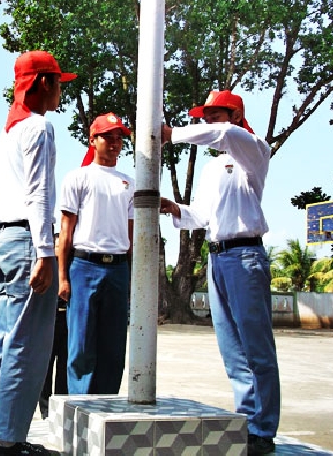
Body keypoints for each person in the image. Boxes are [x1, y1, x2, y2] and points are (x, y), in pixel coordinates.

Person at [159, 90, 279, 456]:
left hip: (245, 255)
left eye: (214, 114)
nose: (208, 120)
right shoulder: (213, 168)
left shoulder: (254, 150)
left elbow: (225, 134)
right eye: (205, 114)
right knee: (233, 352)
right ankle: (248, 421)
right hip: (218, 259)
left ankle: (264, 429)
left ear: (235, 114)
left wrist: (172, 134)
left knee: (256, 348)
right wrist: (173, 208)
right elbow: (202, 216)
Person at [0, 50, 75, 456]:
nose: (60, 91)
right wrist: (46, 253)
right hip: (24, 242)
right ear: (41, 83)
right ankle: (10, 443)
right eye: (57, 83)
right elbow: (38, 194)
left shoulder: (7, 133)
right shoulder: (39, 127)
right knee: (28, 346)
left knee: (1, 346)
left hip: (0, 240)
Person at [58, 113, 134, 395]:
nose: (115, 144)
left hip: (117, 268)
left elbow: (131, 235)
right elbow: (66, 232)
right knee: (81, 344)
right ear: (93, 140)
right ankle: (80, 405)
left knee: (114, 346)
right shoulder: (78, 177)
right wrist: (62, 276)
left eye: (119, 138)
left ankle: (107, 404)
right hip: (84, 265)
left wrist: (132, 276)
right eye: (108, 137)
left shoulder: (129, 183)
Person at [38, 234, 68, 419]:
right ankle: (45, 409)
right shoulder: (46, 268)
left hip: (67, 320)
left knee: (64, 366)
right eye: (56, 245)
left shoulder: (70, 267)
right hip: (49, 320)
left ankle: (62, 406)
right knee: (46, 367)